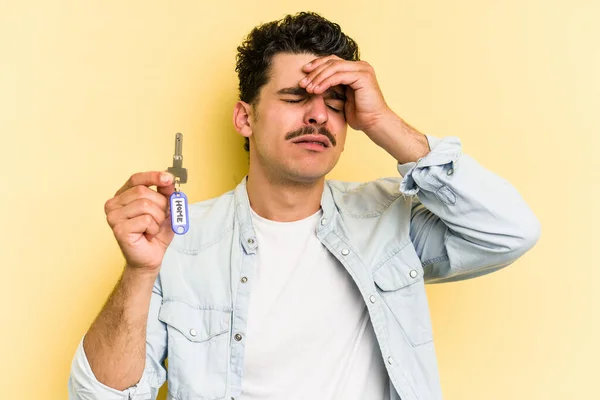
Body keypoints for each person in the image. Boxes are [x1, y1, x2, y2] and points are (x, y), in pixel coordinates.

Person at [68, 11, 540, 400]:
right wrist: (139, 272)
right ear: (245, 116)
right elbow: (99, 397)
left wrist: (383, 121)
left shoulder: (389, 221)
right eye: (295, 97)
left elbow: (510, 231)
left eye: (336, 103)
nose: (317, 114)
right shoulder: (180, 243)